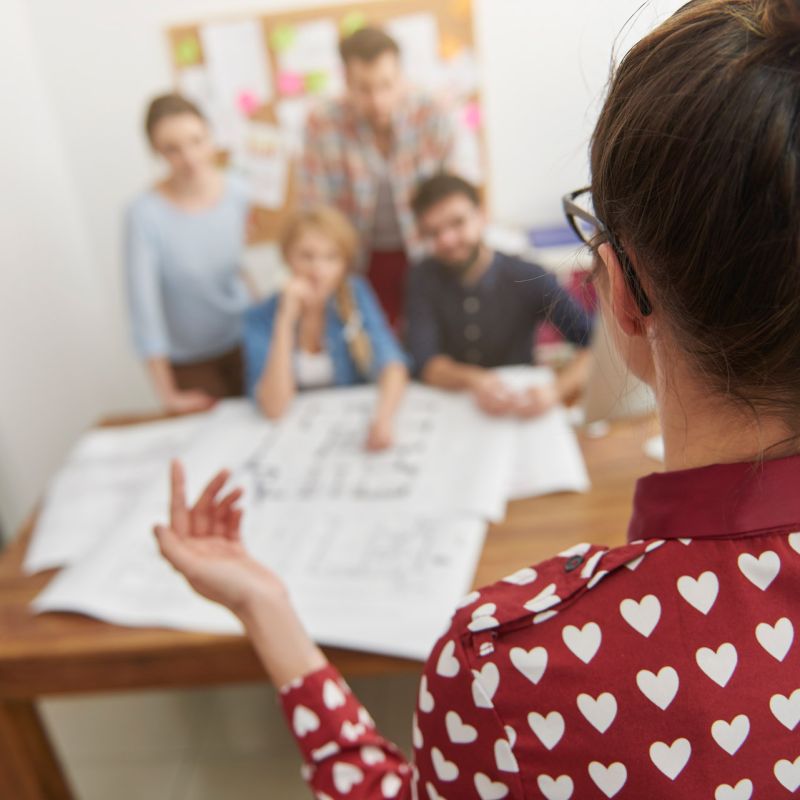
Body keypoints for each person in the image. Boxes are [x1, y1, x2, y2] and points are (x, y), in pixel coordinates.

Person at [154, 0, 800, 796]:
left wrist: (266, 610)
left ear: (621, 296)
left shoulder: (511, 659)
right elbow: (414, 359)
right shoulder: (397, 283)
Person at [298, 26, 455, 327]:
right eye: (364, 88)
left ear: (401, 76)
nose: (378, 100)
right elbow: (315, 211)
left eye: (387, 85)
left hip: (426, 256)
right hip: (356, 263)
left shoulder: (430, 112)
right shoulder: (321, 123)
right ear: (345, 80)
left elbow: (452, 193)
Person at [407, 173, 593, 418]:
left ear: (481, 215)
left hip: (521, 409)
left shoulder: (528, 275)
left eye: (457, 223)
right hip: (452, 409)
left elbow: (594, 344)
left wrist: (555, 391)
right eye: (434, 232)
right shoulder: (422, 277)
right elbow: (424, 362)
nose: (447, 240)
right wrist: (474, 380)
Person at [125, 93, 253, 414]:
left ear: (210, 136)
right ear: (157, 151)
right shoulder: (144, 215)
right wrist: (167, 394)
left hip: (245, 341)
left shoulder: (237, 192)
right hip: (191, 363)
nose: (190, 157)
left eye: (196, 141)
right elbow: (144, 308)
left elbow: (240, 269)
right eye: (172, 149)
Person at [243, 206, 408, 451]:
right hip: (291, 439)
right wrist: (285, 319)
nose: (318, 271)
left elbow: (393, 364)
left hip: (345, 434)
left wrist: (383, 418)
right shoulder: (258, 317)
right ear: (287, 257)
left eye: (331, 258)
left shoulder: (356, 294)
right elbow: (274, 407)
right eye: (307, 256)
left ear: (344, 263)